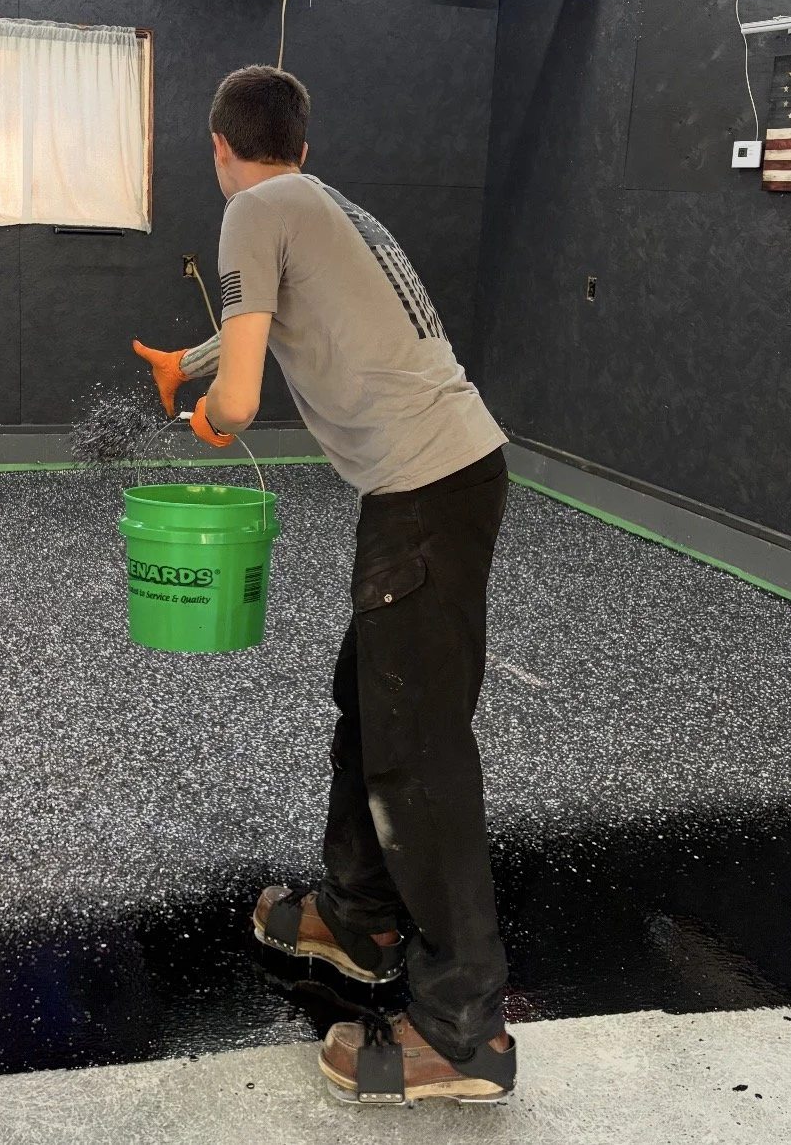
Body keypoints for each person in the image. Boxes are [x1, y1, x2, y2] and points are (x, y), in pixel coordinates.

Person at [132, 65, 515, 1105]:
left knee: (419, 754)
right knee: (370, 703)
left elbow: (246, 399)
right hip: (439, 478)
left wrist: (208, 414)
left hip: (424, 488)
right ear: (297, 140)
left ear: (220, 147)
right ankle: (358, 913)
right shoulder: (317, 203)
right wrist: (191, 360)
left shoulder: (253, 210)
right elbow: (265, 324)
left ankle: (463, 1028)